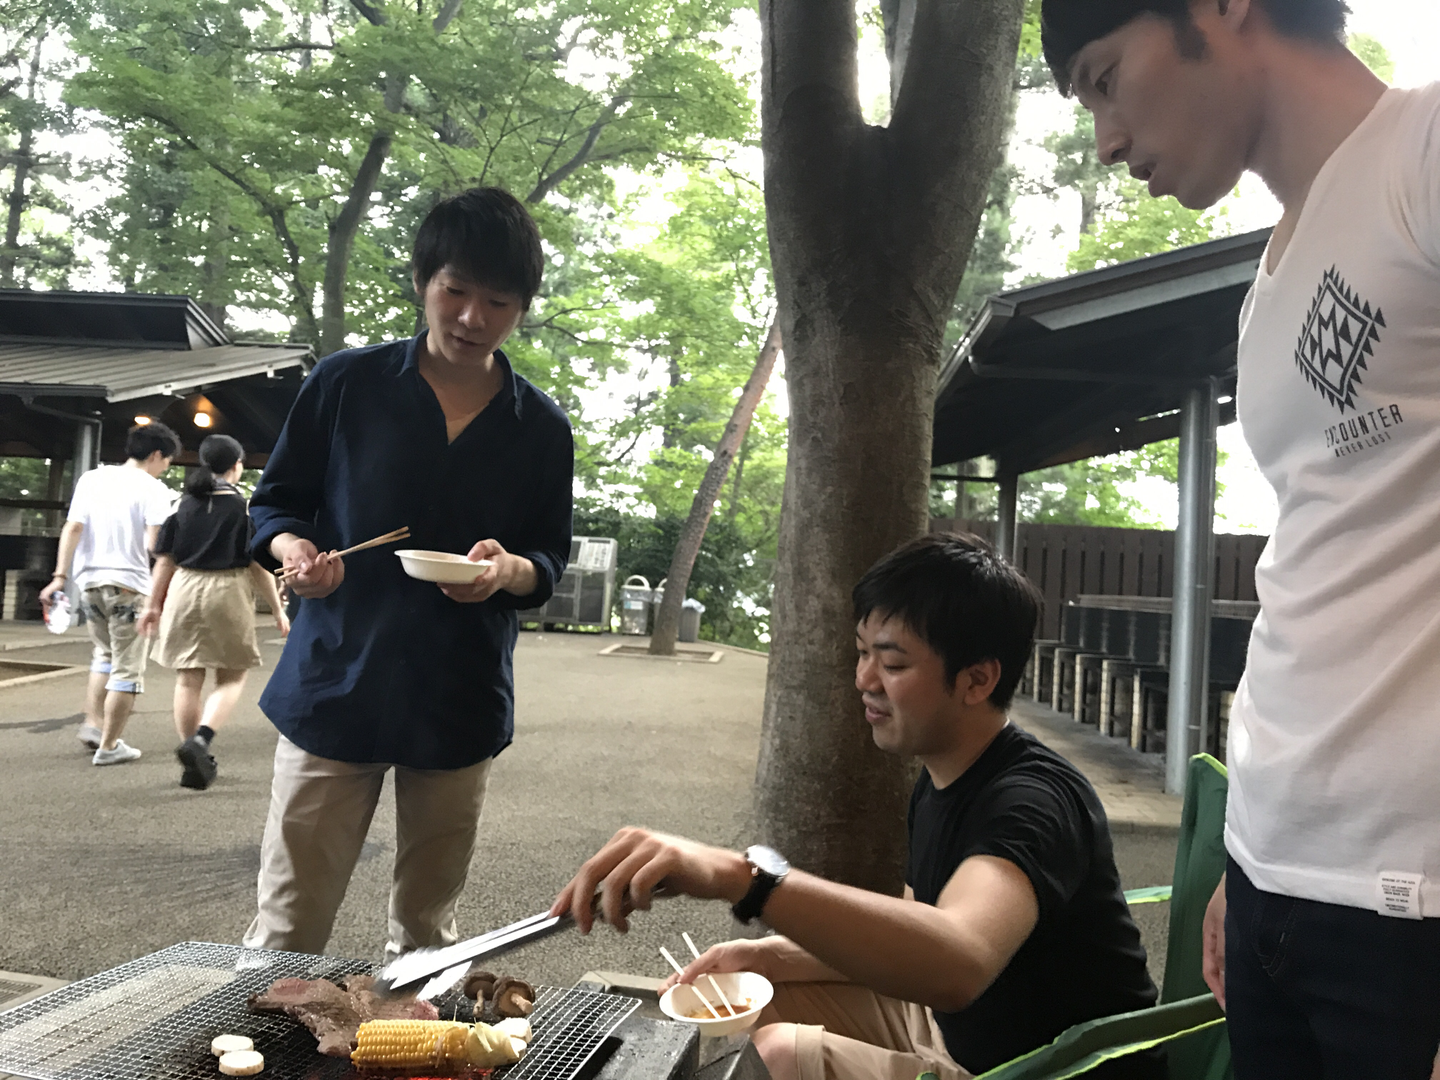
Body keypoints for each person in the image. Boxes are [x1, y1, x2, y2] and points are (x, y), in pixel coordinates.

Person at [1040, 1, 1440, 1075]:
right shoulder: (1267, 292)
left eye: (1105, 79)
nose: (1106, 141)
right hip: (1275, 883)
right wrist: (1245, 852)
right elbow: (1317, 561)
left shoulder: (1424, 148)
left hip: (1411, 908)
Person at [553, 535, 1161, 1080]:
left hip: (1052, 1068)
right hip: (953, 1031)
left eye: (892, 663)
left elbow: (957, 959)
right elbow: (913, 929)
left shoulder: (1032, 802)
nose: (864, 679)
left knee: (780, 1054)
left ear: (977, 680)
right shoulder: (942, 776)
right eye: (863, 652)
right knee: (753, 1002)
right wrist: (765, 955)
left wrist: (745, 878)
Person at [242, 187, 573, 959]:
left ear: (522, 309)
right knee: (289, 923)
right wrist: (294, 554)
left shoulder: (541, 428)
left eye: (498, 302)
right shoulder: (345, 384)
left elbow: (548, 559)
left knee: (427, 932)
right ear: (423, 281)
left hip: (459, 693)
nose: (472, 317)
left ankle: (412, 1032)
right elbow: (276, 504)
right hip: (336, 679)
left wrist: (508, 572)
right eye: (455, 291)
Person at [137, 434, 290, 790]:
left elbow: (164, 562)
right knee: (232, 676)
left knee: (187, 679)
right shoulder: (243, 509)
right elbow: (257, 567)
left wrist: (151, 605)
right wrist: (277, 609)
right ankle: (201, 740)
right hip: (228, 589)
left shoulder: (181, 506)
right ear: (236, 465)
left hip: (184, 588)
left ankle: (192, 759)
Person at [39, 422, 179, 765]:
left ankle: (93, 723)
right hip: (129, 585)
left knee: (104, 655)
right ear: (157, 454)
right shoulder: (154, 489)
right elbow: (155, 545)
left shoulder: (92, 479)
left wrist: (59, 577)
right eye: (167, 461)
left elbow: (73, 527)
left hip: (89, 583)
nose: (165, 468)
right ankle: (110, 746)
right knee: (128, 669)